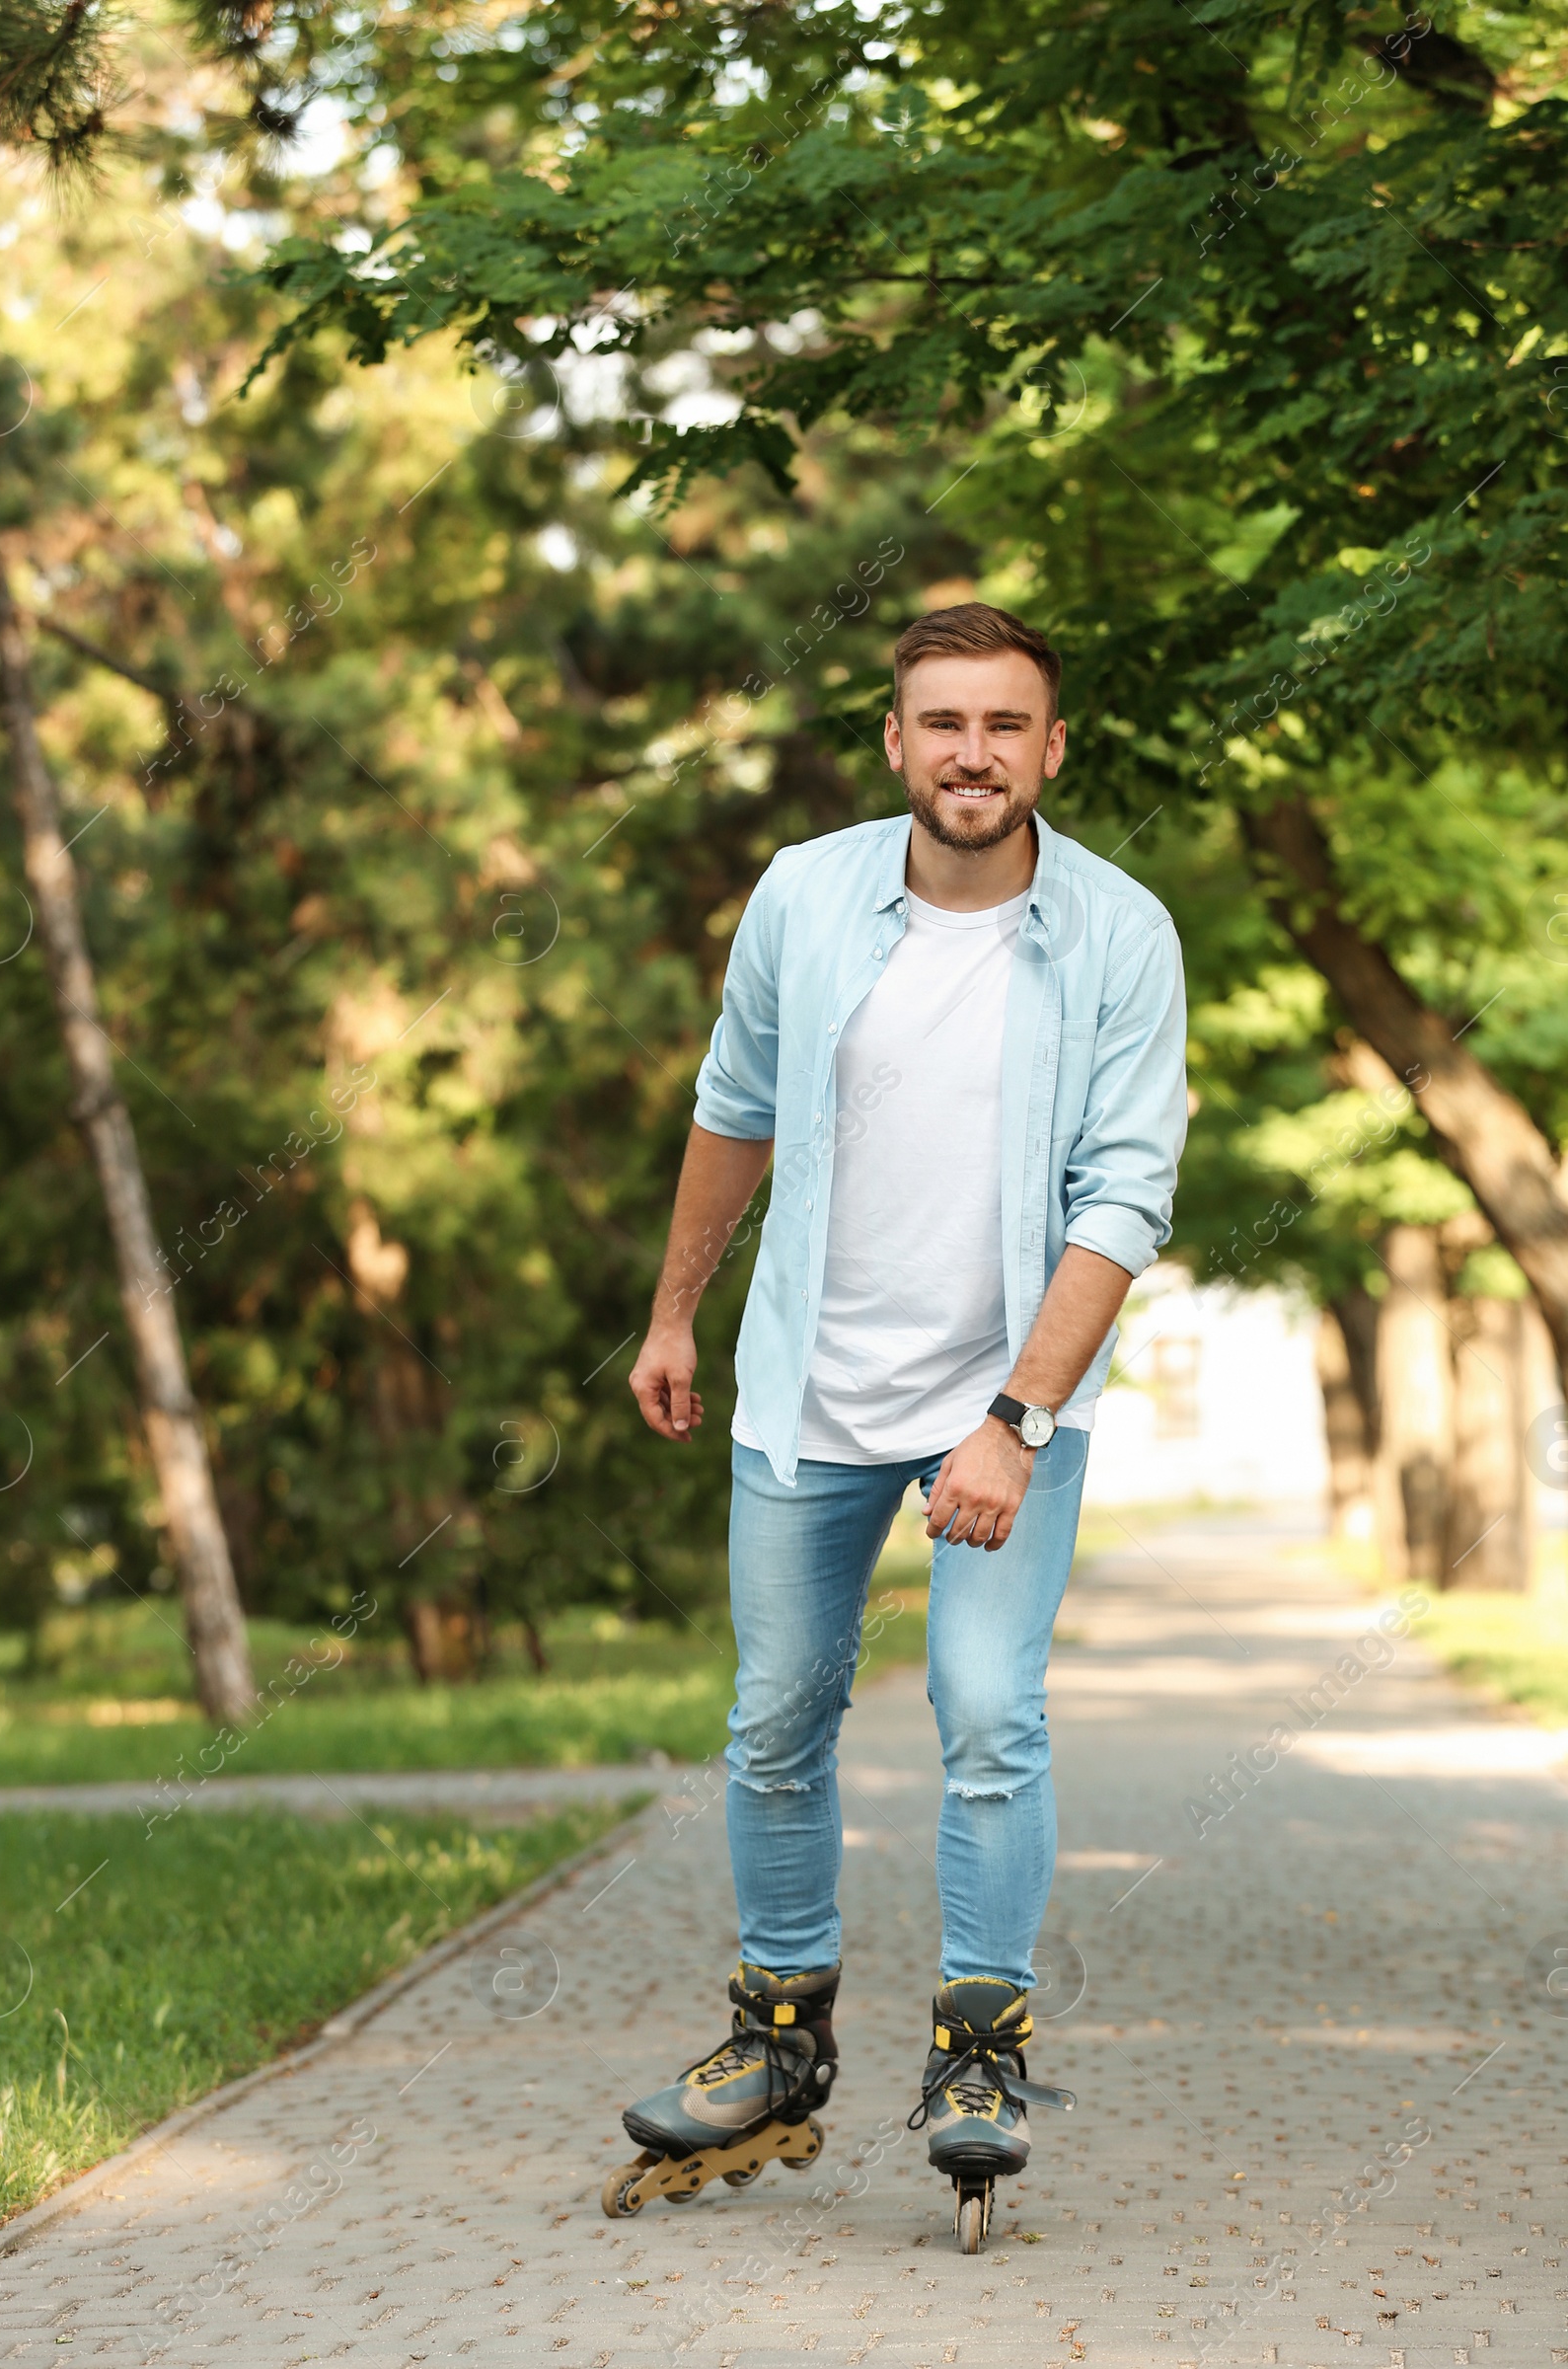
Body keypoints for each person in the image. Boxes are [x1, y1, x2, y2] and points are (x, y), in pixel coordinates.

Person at [606, 601, 1186, 2241]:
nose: (974, 754)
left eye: (1007, 725)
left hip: (1013, 1394)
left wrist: (1013, 1416)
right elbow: (735, 1107)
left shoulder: (1121, 931)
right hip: (810, 1383)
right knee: (777, 1720)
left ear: (1052, 748)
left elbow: (1126, 1195)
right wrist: (675, 1310)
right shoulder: (803, 893)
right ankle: (778, 2041)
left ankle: (982, 2052)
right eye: (945, 723)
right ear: (896, 741)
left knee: (987, 1709)